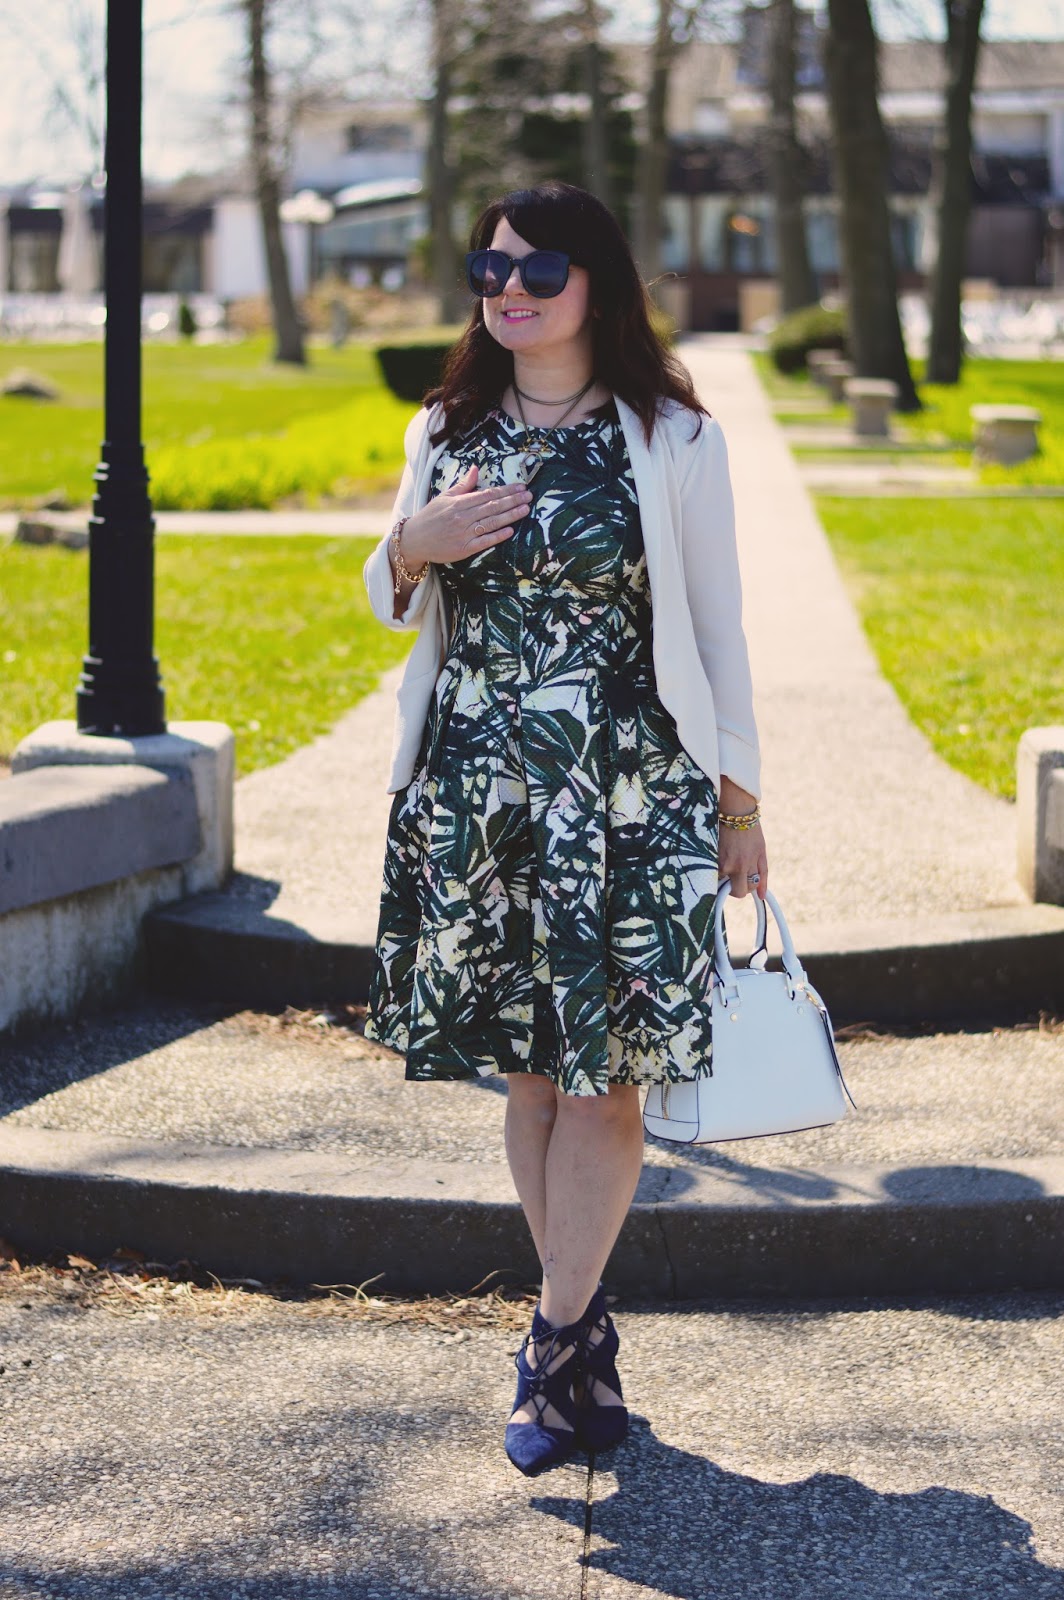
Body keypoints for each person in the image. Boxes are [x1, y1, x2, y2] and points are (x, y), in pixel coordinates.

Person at [362, 180, 767, 1478]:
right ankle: (581, 1340)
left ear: (597, 283)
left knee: (605, 1078)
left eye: (540, 270)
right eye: (491, 272)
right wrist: (412, 544)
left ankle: (549, 1346)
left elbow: (719, 631)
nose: (513, 292)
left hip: (626, 789)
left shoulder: (672, 437)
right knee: (531, 1078)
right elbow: (390, 595)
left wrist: (743, 805)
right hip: (480, 790)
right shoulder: (446, 426)